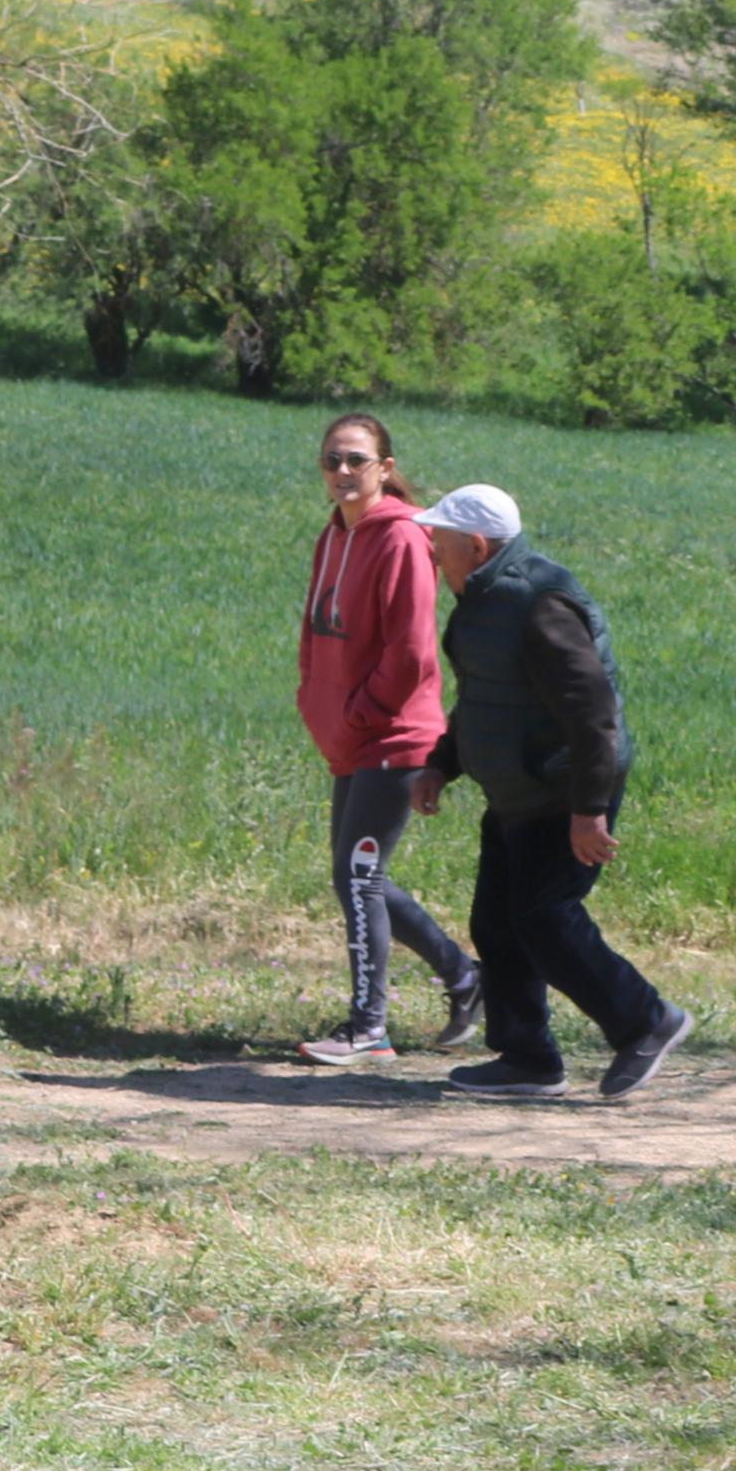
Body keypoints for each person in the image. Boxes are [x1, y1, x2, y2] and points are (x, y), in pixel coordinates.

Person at [409, 484, 694, 1100]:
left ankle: (646, 1020)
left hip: (560, 791)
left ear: (477, 546)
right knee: (497, 922)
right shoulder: (482, 600)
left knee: (545, 919)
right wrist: (441, 765)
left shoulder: (537, 604)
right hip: (518, 791)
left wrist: (588, 811)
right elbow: (487, 699)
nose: (432, 549)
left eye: (440, 539)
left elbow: (594, 715)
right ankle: (527, 1060)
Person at [292, 413, 479, 1066]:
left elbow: (410, 655)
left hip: (394, 736)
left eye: (356, 460)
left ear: (385, 466)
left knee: (359, 875)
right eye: (332, 459)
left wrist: (359, 713)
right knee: (356, 877)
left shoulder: (401, 539)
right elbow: (316, 630)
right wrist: (311, 696)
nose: (342, 471)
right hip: (350, 733)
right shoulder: (333, 535)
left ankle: (369, 1027)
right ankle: (464, 976)